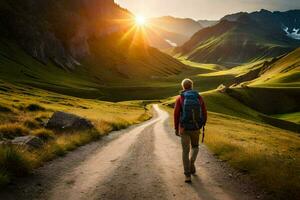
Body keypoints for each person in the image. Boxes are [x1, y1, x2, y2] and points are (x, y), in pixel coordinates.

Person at [174, 78, 207, 183]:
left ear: (183, 87)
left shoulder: (180, 98)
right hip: (196, 127)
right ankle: (192, 162)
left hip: (184, 128)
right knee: (195, 147)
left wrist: (176, 128)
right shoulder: (198, 97)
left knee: (185, 151)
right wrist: (202, 124)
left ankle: (187, 175)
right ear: (192, 86)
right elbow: (204, 112)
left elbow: (176, 114)